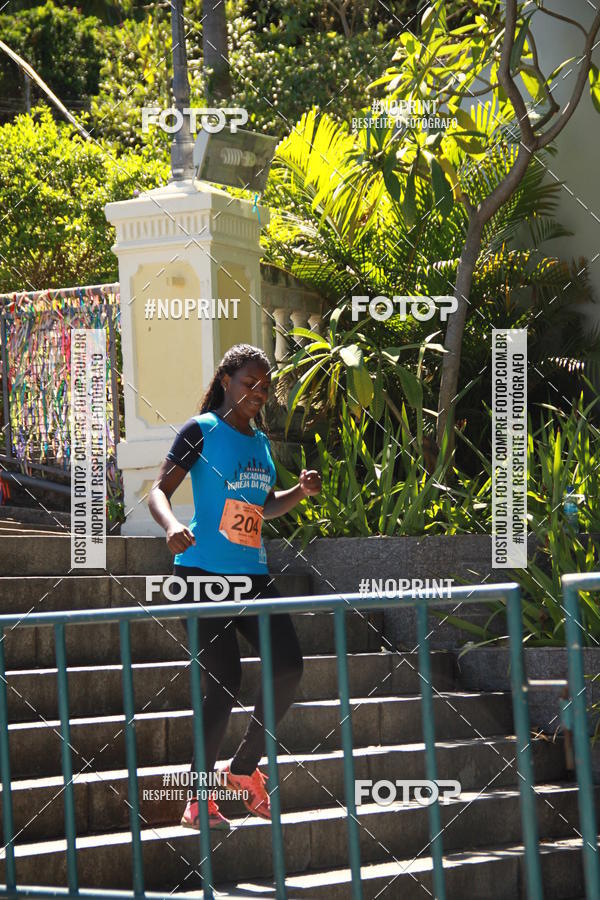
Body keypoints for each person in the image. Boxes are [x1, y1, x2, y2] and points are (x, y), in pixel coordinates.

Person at [148, 343, 321, 830]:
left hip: (252, 574)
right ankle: (198, 800)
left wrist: (299, 493)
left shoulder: (260, 442)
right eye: (250, 383)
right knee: (223, 682)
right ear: (226, 380)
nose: (258, 393)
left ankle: (243, 771)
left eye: (265, 387)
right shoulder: (200, 430)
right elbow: (159, 490)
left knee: (289, 664)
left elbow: (262, 506)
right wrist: (168, 527)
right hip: (202, 574)